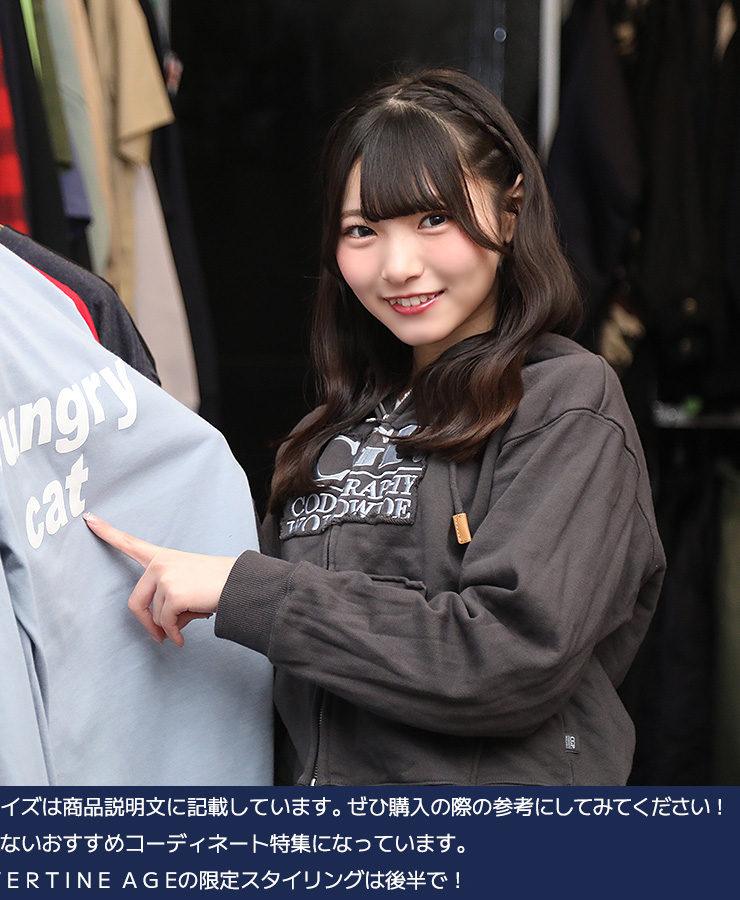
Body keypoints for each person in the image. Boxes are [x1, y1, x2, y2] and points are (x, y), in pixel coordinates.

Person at [83, 68, 665, 786]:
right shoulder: (328, 432)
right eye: (362, 231)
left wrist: (247, 589)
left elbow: (508, 659)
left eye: (433, 219)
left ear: (511, 211)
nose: (397, 266)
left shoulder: (566, 400)